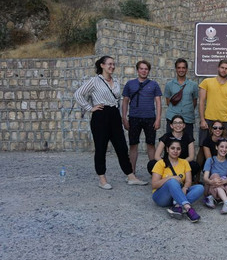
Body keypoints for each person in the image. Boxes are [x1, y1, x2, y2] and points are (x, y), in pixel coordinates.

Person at [74, 56, 147, 189]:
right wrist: (90, 108)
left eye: (113, 64)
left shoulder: (116, 81)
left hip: (114, 114)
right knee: (101, 147)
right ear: (102, 65)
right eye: (109, 64)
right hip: (100, 115)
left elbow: (117, 100)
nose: (112, 66)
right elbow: (78, 94)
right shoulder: (95, 81)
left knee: (121, 147)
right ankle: (102, 179)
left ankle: (130, 176)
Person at [121, 60, 162, 175]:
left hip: (150, 118)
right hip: (134, 118)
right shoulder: (130, 84)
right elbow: (125, 101)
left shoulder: (154, 84)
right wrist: (124, 118)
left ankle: (155, 172)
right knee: (133, 145)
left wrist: (158, 118)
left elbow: (158, 102)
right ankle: (132, 172)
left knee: (151, 144)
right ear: (137, 70)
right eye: (141, 68)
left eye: (146, 69)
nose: (144, 71)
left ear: (149, 71)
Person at [151, 140, 205, 222]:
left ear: (181, 150)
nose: (175, 151)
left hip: (178, 193)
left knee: (200, 188)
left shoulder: (184, 162)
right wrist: (169, 178)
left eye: (178, 149)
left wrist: (186, 187)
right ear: (167, 149)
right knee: (172, 181)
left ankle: (177, 206)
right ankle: (187, 208)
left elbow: (188, 181)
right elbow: (154, 185)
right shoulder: (160, 163)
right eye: (172, 148)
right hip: (162, 197)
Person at [148, 115, 200, 183]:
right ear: (171, 126)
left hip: (182, 163)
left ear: (184, 125)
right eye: (175, 123)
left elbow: (191, 157)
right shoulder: (166, 136)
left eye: (180, 123)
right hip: (167, 163)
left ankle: (184, 178)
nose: (178, 125)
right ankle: (163, 178)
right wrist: (167, 163)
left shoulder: (188, 137)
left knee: (194, 165)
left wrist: (180, 163)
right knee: (151, 164)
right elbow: (157, 156)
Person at [198, 59, 227, 144]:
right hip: (209, 120)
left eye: (226, 68)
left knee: (226, 148)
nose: (224, 70)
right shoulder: (206, 82)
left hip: (225, 121)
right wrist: (202, 120)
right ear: (218, 68)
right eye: (222, 67)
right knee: (203, 147)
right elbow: (201, 102)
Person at [202, 139, 227, 214]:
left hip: (223, 185)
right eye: (222, 147)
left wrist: (224, 181)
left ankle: (213, 198)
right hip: (211, 187)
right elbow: (205, 178)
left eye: (226, 147)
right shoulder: (210, 160)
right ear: (217, 147)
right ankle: (226, 203)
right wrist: (211, 181)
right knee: (215, 175)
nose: (224, 149)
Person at [164, 58, 199, 133]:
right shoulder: (169, 84)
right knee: (170, 142)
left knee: (188, 142)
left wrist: (187, 109)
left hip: (187, 119)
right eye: (179, 68)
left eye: (183, 68)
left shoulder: (193, 85)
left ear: (186, 69)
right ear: (176, 69)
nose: (181, 70)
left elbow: (194, 101)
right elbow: (168, 102)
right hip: (172, 118)